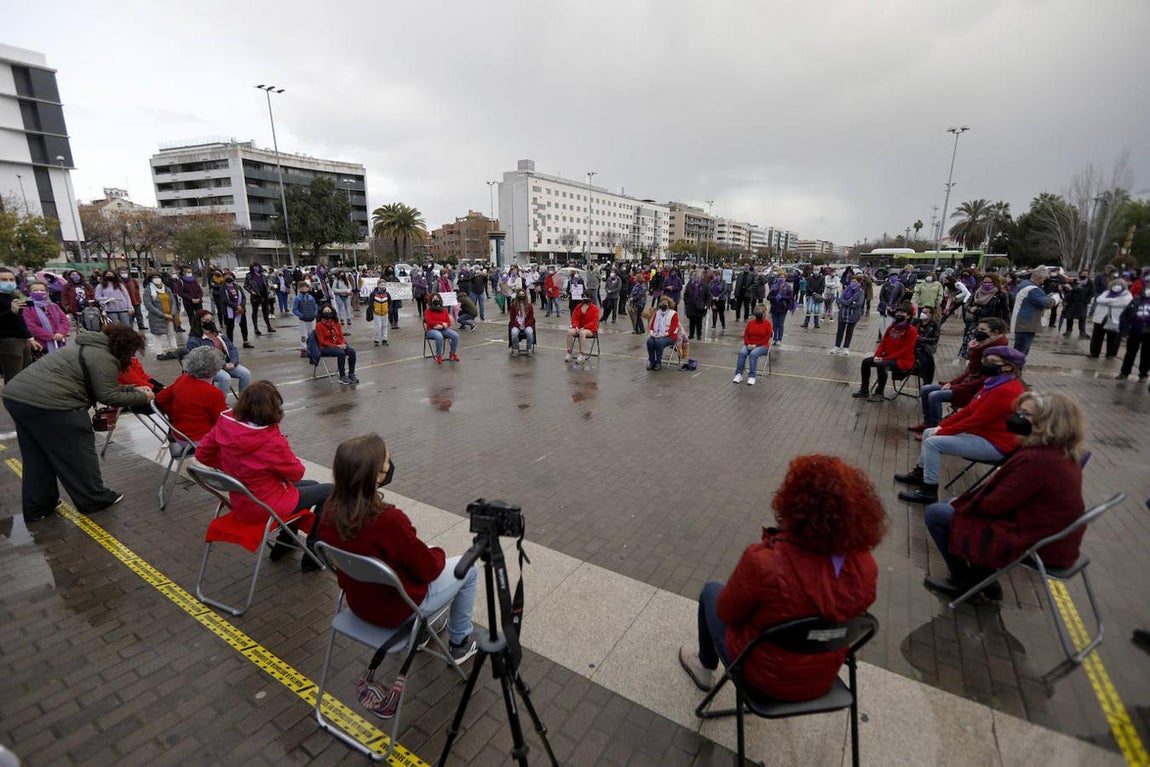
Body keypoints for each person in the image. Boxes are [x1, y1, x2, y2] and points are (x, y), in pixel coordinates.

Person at [678, 454, 886, 699]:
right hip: (822, 677)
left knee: (711, 591)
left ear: (791, 506)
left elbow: (726, 614)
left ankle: (704, 668)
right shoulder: (866, 567)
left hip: (762, 677)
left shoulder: (764, 563)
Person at [317, 433, 479, 661]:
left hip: (359, 603)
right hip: (397, 610)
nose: (389, 465)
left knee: (418, 552)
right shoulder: (388, 521)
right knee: (468, 568)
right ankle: (460, 643)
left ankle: (422, 632)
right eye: (386, 462)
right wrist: (438, 552)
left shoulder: (329, 510)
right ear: (374, 476)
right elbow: (429, 569)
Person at [923, 392, 1086, 601]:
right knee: (951, 505)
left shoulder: (1038, 459)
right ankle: (985, 581)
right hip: (1052, 536)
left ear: (1046, 423)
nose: (1017, 418)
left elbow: (994, 505)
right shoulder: (1060, 452)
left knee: (937, 513)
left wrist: (962, 503)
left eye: (1025, 414)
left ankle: (963, 582)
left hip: (1039, 543)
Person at [3, 324, 154, 521]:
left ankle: (39, 506)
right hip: (53, 404)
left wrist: (133, 389)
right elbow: (107, 395)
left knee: (37, 457)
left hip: (17, 398)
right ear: (125, 348)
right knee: (78, 451)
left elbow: (102, 386)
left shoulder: (85, 346)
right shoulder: (104, 357)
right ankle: (94, 499)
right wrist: (144, 397)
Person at [195, 381, 332, 572]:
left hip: (243, 499)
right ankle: (315, 555)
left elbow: (202, 453)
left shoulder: (226, 423)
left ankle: (283, 545)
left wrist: (232, 466)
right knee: (329, 491)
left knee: (311, 484)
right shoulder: (269, 441)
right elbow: (296, 472)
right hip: (264, 505)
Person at [895, 347, 1027, 505]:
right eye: (986, 360)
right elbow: (969, 410)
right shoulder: (993, 382)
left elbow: (976, 419)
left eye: (992, 361)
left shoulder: (1006, 390)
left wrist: (943, 431)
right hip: (982, 435)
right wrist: (941, 427)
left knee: (933, 443)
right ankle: (920, 473)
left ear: (1008, 366)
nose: (986, 364)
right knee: (929, 432)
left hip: (996, 444)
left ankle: (929, 490)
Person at [911, 317, 1008, 432]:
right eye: (978, 329)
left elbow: (982, 381)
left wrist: (954, 387)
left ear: (995, 332)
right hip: (966, 385)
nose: (978, 332)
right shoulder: (984, 345)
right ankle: (928, 423)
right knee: (926, 389)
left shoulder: (997, 353)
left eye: (982, 329)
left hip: (975, 391)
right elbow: (970, 372)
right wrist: (950, 383)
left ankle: (934, 428)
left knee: (934, 396)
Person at [156, 346, 227, 442]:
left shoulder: (182, 378)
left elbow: (160, 398)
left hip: (179, 434)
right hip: (200, 440)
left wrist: (174, 415)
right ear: (215, 368)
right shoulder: (213, 393)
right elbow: (221, 424)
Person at [852, 303, 919, 402]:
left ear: (908, 315)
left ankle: (879, 393)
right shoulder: (891, 327)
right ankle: (864, 389)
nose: (899, 314)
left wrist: (885, 358)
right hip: (888, 357)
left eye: (902, 313)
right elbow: (883, 344)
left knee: (882, 365)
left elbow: (906, 350)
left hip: (903, 360)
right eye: (898, 312)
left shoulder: (912, 330)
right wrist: (876, 356)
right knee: (866, 362)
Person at [187, 310, 252, 395]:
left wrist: (233, 362)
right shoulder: (194, 341)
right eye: (207, 320)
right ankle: (221, 403)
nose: (210, 322)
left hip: (227, 364)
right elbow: (202, 360)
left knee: (245, 374)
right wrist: (223, 365)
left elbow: (232, 348)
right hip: (209, 368)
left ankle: (243, 400)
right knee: (225, 378)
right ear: (199, 322)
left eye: (211, 320)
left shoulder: (218, 335)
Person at [1010, 267, 1057, 355]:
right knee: (1021, 353)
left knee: (1020, 350)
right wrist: (1056, 298)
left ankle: (1016, 367)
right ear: (1039, 278)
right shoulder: (1033, 289)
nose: (1043, 282)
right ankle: (1016, 368)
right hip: (1026, 325)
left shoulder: (1024, 285)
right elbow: (1047, 304)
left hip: (1022, 323)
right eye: (1043, 279)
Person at [21, 280, 71, 356]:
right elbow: (31, 326)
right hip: (40, 345)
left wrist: (61, 332)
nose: (39, 292)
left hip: (59, 342)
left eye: (42, 290)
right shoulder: (27, 307)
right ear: (29, 292)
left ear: (46, 292)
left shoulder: (53, 306)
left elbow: (64, 320)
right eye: (35, 290)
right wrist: (51, 336)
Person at [1089, 277, 1132, 359]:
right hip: (1101, 317)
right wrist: (1113, 301)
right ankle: (1094, 353)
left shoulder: (1127, 295)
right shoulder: (1106, 292)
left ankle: (1110, 354)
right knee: (1097, 336)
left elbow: (1124, 302)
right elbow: (1099, 300)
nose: (1117, 286)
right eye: (1115, 284)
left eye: (1119, 285)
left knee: (1113, 338)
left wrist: (1108, 301)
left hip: (1115, 319)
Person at [142, 272, 182, 360]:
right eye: (154, 277)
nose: (157, 279)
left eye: (158, 277)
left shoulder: (166, 289)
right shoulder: (148, 290)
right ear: (151, 280)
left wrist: (172, 313)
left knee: (171, 334)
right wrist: (163, 315)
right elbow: (148, 305)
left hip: (170, 316)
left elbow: (173, 301)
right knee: (157, 336)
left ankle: (174, 350)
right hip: (157, 317)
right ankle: (159, 353)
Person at [316, 305, 359, 384]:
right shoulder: (319, 325)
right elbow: (322, 341)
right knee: (341, 353)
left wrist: (342, 344)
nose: (327, 313)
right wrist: (337, 346)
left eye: (329, 311)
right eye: (325, 311)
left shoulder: (336, 323)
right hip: (325, 347)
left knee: (352, 351)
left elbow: (341, 336)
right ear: (321, 313)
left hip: (338, 344)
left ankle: (351, 374)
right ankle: (342, 376)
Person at [1117, 281, 1150, 381]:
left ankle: (1143, 374)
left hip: (1148, 333)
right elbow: (1125, 315)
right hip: (1134, 330)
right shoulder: (1136, 300)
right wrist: (1124, 330)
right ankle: (1124, 372)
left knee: (1147, 354)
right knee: (1130, 353)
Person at [732, 304, 772, 385]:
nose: (758, 314)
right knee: (742, 352)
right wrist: (748, 344)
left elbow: (766, 339)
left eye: (760, 312)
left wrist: (755, 345)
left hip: (762, 346)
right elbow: (746, 335)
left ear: (764, 313)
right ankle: (738, 374)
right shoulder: (751, 323)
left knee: (753, 354)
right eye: (757, 312)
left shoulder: (768, 324)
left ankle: (752, 376)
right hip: (749, 344)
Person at [831, 274, 865, 355]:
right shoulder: (846, 289)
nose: (852, 283)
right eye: (851, 281)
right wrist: (850, 302)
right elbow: (839, 300)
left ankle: (846, 347)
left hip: (853, 315)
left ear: (858, 283)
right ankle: (837, 346)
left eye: (854, 281)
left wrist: (847, 303)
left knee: (849, 331)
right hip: (843, 314)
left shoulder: (861, 291)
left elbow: (859, 303)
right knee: (840, 331)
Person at [424, 294, 459, 364]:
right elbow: (429, 321)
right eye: (434, 298)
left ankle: (452, 353)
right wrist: (442, 323)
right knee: (439, 336)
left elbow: (448, 322)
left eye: (437, 298)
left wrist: (442, 326)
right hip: (431, 330)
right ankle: (438, 355)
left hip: (443, 329)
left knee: (455, 335)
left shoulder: (444, 310)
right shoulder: (428, 310)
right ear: (431, 300)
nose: (436, 300)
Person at [220, 271, 252, 349]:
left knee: (243, 325)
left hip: (240, 309)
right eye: (226, 276)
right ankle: (230, 344)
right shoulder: (223, 288)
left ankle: (245, 341)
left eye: (230, 275)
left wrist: (241, 306)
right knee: (230, 327)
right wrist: (235, 307)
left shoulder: (237, 286)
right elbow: (225, 300)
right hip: (229, 310)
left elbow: (243, 297)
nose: (228, 277)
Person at [645, 298, 679, 370]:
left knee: (659, 342)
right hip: (657, 334)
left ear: (668, 305)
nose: (663, 305)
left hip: (670, 336)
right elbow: (652, 326)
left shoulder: (673, 314)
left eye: (665, 303)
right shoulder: (657, 313)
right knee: (649, 341)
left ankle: (658, 362)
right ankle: (652, 362)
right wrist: (652, 333)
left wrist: (663, 335)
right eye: (661, 303)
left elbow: (673, 328)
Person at [172, 266, 206, 337]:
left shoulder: (194, 280)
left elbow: (200, 290)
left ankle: (202, 330)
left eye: (190, 272)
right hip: (188, 303)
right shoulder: (181, 281)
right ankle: (194, 332)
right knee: (192, 318)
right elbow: (181, 293)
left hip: (198, 301)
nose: (189, 273)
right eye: (188, 272)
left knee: (200, 316)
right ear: (184, 273)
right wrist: (191, 299)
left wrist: (199, 298)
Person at [566, 293, 600, 363]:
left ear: (590, 298)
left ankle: (582, 355)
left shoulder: (595, 308)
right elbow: (574, 318)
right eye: (583, 297)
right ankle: (569, 353)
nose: (585, 298)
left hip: (591, 329)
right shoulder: (578, 306)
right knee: (569, 332)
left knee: (582, 333)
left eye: (586, 297)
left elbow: (594, 322)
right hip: (579, 328)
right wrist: (576, 327)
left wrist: (584, 327)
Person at [245, 263, 276, 335]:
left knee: (266, 311)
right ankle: (256, 328)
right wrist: (251, 291)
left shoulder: (263, 276)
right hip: (255, 296)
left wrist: (268, 289)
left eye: (258, 266)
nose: (256, 268)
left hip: (264, 295)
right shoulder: (249, 276)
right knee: (255, 312)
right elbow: (246, 285)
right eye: (254, 267)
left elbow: (266, 284)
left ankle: (269, 327)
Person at [1060, 271, 1093, 338]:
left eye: (1085, 274)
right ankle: (1068, 330)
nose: (1084, 275)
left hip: (1082, 302)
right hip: (1072, 301)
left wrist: (1087, 300)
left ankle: (1082, 332)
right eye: (1082, 274)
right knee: (1070, 317)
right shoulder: (1074, 281)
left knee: (1082, 318)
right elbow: (1067, 291)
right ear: (1079, 274)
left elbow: (1092, 292)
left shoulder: (1090, 283)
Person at [766, 273, 793, 345]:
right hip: (774, 307)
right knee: (775, 324)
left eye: (783, 277)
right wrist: (775, 298)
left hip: (783, 308)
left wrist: (782, 297)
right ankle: (774, 338)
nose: (781, 279)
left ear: (785, 278)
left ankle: (779, 339)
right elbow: (768, 297)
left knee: (780, 324)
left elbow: (790, 297)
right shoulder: (773, 286)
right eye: (780, 277)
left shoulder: (788, 287)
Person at [683, 272, 709, 341]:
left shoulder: (704, 286)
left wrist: (706, 305)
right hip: (691, 306)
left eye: (698, 277)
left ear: (701, 278)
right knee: (691, 321)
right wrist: (687, 303)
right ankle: (691, 334)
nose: (697, 278)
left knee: (699, 322)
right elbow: (685, 295)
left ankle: (699, 335)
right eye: (695, 277)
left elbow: (708, 296)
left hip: (700, 307)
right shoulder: (689, 285)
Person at [508, 290, 535, 357]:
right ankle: (516, 349)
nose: (521, 296)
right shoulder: (513, 306)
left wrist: (525, 325)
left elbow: (531, 318)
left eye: (523, 294)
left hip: (526, 325)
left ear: (525, 295)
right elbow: (512, 319)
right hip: (516, 325)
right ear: (517, 296)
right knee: (514, 333)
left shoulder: (529, 306)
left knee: (529, 332)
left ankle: (529, 349)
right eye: (520, 294)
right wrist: (518, 325)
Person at [292, 280, 320, 345]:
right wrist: (301, 315)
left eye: (305, 288)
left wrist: (315, 314)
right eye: (302, 289)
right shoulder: (297, 298)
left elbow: (315, 306)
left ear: (308, 288)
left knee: (312, 334)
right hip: (303, 320)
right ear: (299, 289)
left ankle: (313, 347)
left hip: (312, 319)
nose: (304, 290)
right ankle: (304, 348)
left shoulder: (311, 298)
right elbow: (294, 309)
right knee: (304, 335)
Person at [367, 282, 392, 346]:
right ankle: (376, 340)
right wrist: (373, 309)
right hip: (377, 313)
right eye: (381, 285)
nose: (382, 286)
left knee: (385, 326)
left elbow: (389, 302)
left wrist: (388, 309)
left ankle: (384, 340)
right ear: (378, 285)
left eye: (384, 285)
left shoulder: (387, 294)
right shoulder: (373, 294)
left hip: (385, 313)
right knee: (378, 327)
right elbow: (370, 303)